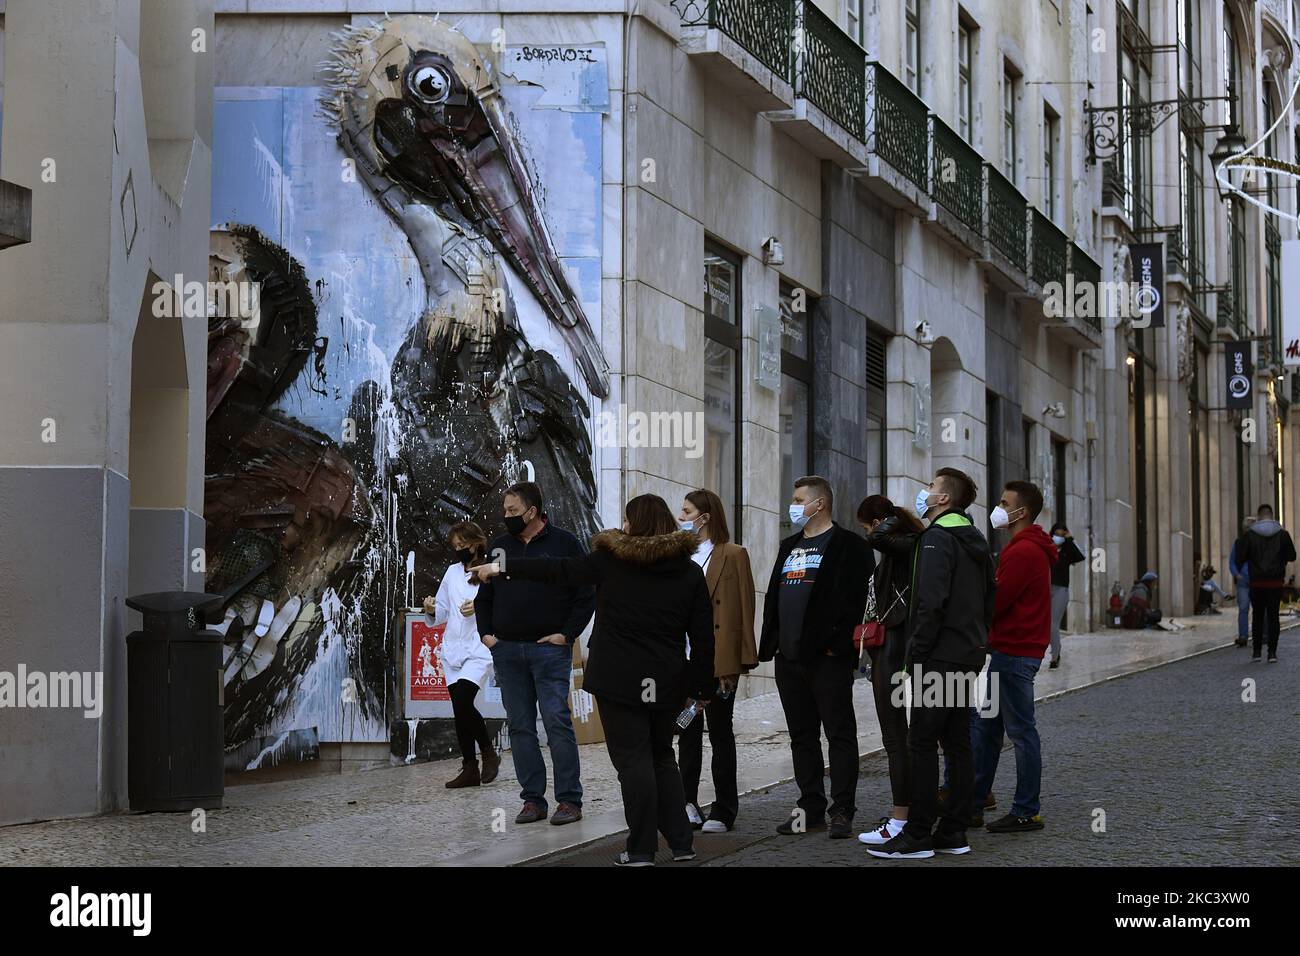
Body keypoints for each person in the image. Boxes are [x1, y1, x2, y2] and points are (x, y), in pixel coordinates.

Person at [471, 494, 714, 866]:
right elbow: (702, 637)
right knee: (662, 757)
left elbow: (557, 570)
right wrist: (701, 689)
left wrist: (502, 569)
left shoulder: (611, 561)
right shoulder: (689, 570)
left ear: (636, 524)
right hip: (665, 679)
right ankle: (681, 844)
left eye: (628, 520)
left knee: (633, 762)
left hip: (619, 679)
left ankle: (641, 850)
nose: (625, 526)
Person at [868, 467, 995, 860]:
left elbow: (930, 602)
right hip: (966, 654)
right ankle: (953, 831)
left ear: (943, 499)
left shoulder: (938, 538)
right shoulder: (975, 540)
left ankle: (918, 834)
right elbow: (991, 598)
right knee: (956, 742)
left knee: (921, 741)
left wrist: (915, 656)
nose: (924, 493)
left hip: (936, 657)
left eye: (930, 487)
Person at [474, 482, 595, 826]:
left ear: (533, 511)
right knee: (520, 726)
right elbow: (485, 595)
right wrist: (487, 635)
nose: (506, 516)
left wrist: (567, 635)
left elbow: (586, 593)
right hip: (507, 651)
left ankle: (569, 800)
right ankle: (532, 800)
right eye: (505, 511)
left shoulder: (565, 543)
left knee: (557, 721)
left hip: (549, 650)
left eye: (513, 511)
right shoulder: (499, 547)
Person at [759, 476, 873, 840]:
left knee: (839, 734)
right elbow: (775, 597)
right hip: (788, 658)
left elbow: (859, 602)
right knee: (801, 737)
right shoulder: (789, 545)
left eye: (798, 499)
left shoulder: (849, 546)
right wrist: (774, 643)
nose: (793, 505)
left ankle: (842, 810)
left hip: (827, 659)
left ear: (819, 504)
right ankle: (810, 807)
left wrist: (837, 646)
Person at [971, 481, 1056, 833]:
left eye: (1005, 502)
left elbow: (998, 600)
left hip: (1014, 653)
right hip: (1012, 651)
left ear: (1021, 512)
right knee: (987, 727)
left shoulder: (1022, 551)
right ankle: (973, 802)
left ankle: (1025, 810)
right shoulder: (1027, 547)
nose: (999, 508)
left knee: (1020, 732)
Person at [675, 489, 758, 833]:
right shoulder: (679, 556)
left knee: (721, 732)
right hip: (684, 660)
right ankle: (687, 802)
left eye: (686, 511)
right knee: (686, 731)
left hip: (718, 661)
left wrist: (737, 665)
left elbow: (744, 610)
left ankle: (724, 809)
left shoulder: (733, 554)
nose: (681, 518)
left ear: (705, 516)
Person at [854, 495, 923, 848]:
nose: (868, 534)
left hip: (896, 643)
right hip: (894, 644)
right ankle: (911, 813)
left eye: (868, 524)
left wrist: (887, 521)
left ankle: (901, 818)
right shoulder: (906, 544)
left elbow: (877, 539)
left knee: (896, 737)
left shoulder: (904, 545)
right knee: (902, 736)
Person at [421, 521, 499, 788]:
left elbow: (501, 606)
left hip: (478, 648)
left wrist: (478, 608)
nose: (458, 550)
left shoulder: (492, 569)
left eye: (462, 545)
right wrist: (431, 607)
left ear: (476, 543)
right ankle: (469, 767)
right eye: (455, 546)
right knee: (459, 709)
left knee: (464, 702)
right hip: (453, 647)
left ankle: (488, 752)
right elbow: (441, 611)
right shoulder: (453, 572)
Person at [1236, 504, 1296, 663]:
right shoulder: (1283, 534)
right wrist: (1281, 559)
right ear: (1272, 515)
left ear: (1259, 516)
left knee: (1257, 616)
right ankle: (1272, 653)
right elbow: (1292, 556)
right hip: (1275, 582)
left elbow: (1240, 557)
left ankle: (1256, 652)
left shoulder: (1250, 535)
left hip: (1257, 582)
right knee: (1273, 617)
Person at [1047, 522, 1085, 668]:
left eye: (1062, 535)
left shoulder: (1067, 551)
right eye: (1057, 534)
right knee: (1046, 624)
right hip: (1045, 588)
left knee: (1053, 624)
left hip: (1061, 590)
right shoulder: (1047, 548)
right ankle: (1053, 652)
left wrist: (1070, 539)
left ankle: (1055, 656)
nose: (1059, 537)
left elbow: (1081, 556)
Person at [1229, 518, 1255, 647]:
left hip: (1256, 580)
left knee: (1257, 609)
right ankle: (1243, 636)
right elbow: (1232, 561)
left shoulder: (1258, 543)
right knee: (1244, 609)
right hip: (1244, 581)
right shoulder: (1238, 543)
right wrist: (1237, 574)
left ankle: (1260, 634)